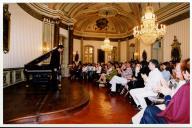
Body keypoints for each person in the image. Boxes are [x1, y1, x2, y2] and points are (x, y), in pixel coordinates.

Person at [140, 59, 190, 124]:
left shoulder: (186, 87)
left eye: (177, 70)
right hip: (173, 111)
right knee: (146, 114)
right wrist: (165, 89)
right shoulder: (183, 82)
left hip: (174, 119)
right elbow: (176, 95)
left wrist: (167, 95)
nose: (174, 71)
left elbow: (174, 109)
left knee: (148, 111)